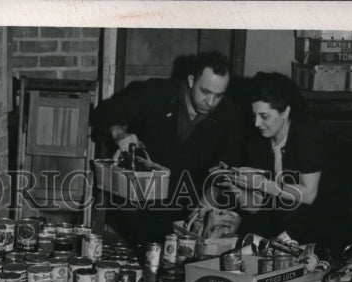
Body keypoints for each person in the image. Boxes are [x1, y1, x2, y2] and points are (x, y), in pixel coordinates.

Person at [91, 51, 244, 247]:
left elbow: (227, 164)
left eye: (218, 95)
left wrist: (211, 196)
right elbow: (102, 113)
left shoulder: (230, 114)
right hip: (138, 206)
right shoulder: (155, 93)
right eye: (205, 92)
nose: (211, 102)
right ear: (191, 80)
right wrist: (118, 132)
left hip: (187, 212)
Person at [222, 72, 328, 244]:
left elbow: (309, 194)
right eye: (254, 115)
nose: (256, 123)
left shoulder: (307, 132)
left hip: (322, 220)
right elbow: (255, 206)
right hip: (283, 223)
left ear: (285, 111)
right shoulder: (257, 142)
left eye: (264, 116)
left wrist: (261, 183)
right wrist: (234, 184)